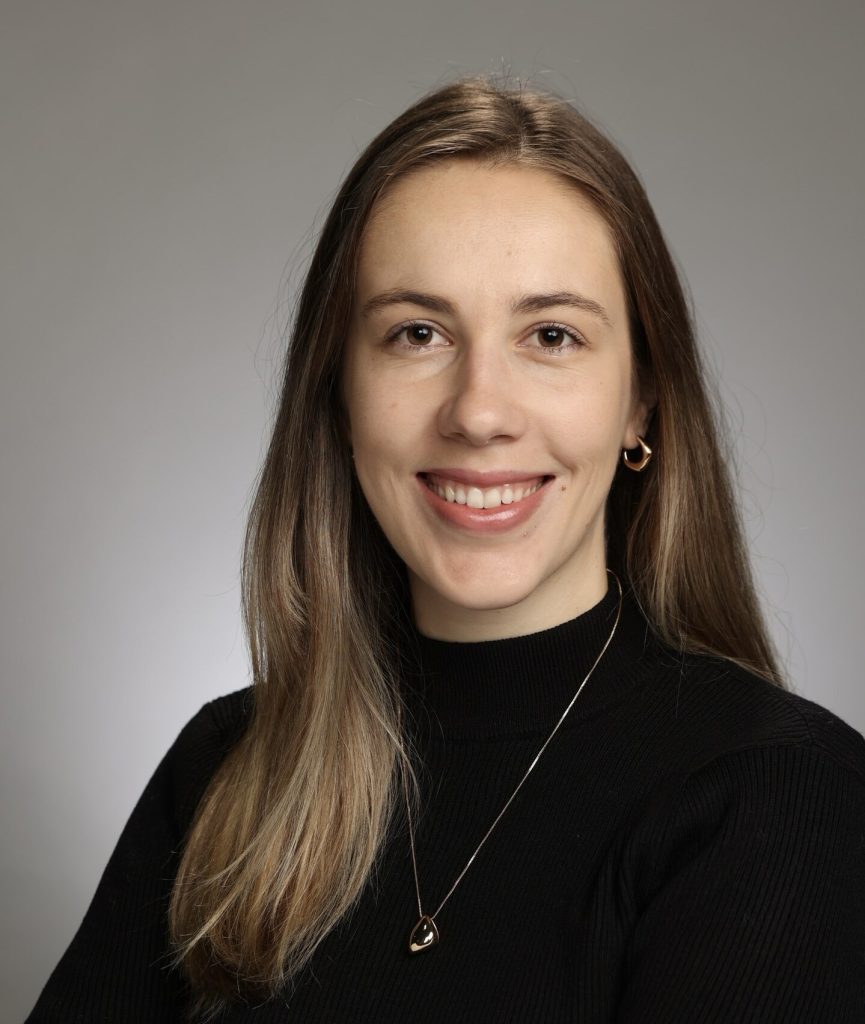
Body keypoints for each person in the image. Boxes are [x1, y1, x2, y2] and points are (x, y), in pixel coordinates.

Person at [27, 77, 865, 1023]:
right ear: (338, 393)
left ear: (640, 402)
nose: (476, 412)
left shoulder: (779, 800)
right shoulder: (227, 769)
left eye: (551, 336)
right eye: (416, 333)